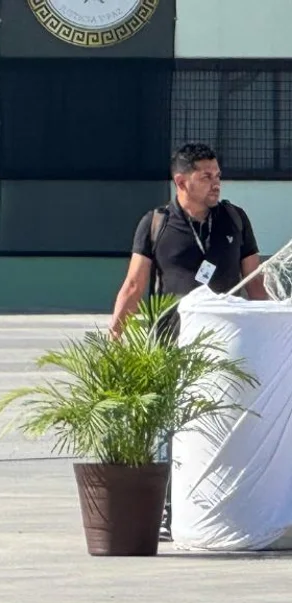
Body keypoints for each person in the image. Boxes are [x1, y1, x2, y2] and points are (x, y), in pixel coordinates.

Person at [109, 141, 266, 540]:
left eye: (217, 175)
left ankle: (229, 503)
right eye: (206, 176)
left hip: (228, 346)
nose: (216, 183)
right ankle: (166, 510)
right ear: (181, 180)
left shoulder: (234, 219)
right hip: (170, 344)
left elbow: (256, 284)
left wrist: (273, 327)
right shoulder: (156, 223)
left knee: (226, 424)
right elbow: (134, 283)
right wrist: (116, 332)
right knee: (167, 428)